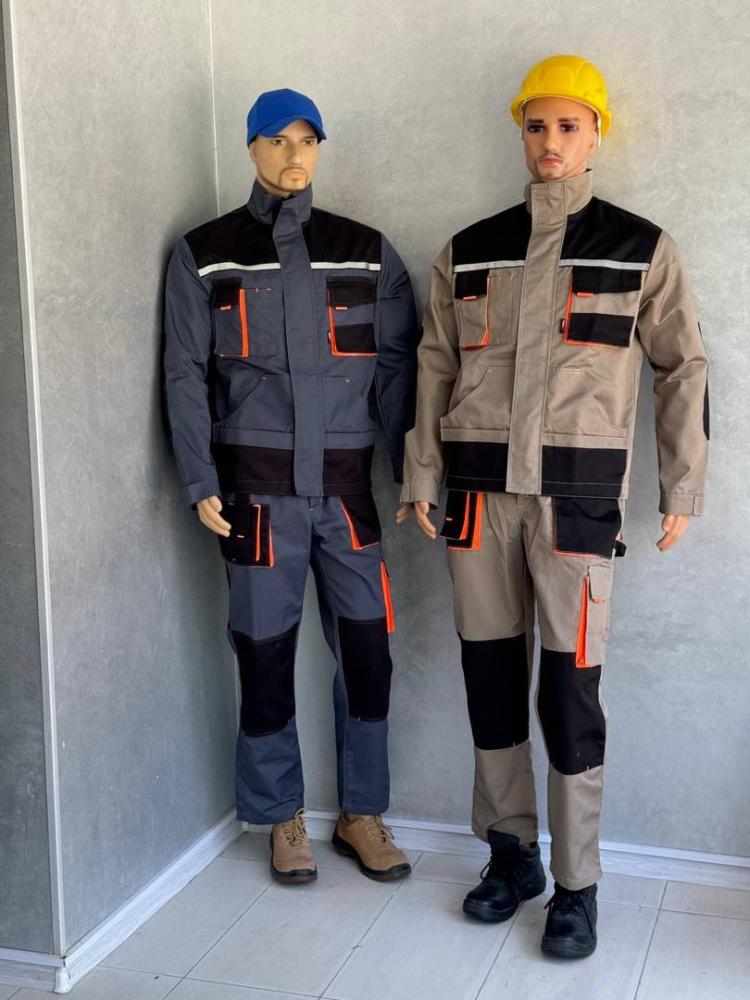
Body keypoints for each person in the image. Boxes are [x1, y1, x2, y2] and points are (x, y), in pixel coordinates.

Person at [397, 55, 708, 957]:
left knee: (571, 695)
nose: (551, 141)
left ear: (597, 133)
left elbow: (683, 366)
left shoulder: (639, 248)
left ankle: (577, 885)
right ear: (521, 132)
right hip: (476, 504)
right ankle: (510, 855)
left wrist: (682, 483)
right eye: (537, 125)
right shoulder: (469, 249)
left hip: (578, 506)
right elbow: (434, 366)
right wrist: (422, 477)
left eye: (570, 125)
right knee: (490, 681)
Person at [165, 88, 419, 885]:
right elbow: (184, 374)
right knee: (265, 657)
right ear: (251, 147)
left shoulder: (366, 252)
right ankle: (281, 816)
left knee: (369, 655)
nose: (293, 154)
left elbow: (399, 370)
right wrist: (200, 476)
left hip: (349, 497)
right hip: (254, 502)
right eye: (277, 140)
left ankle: (361, 814)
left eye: (307, 140)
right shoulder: (207, 253)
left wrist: (414, 471)